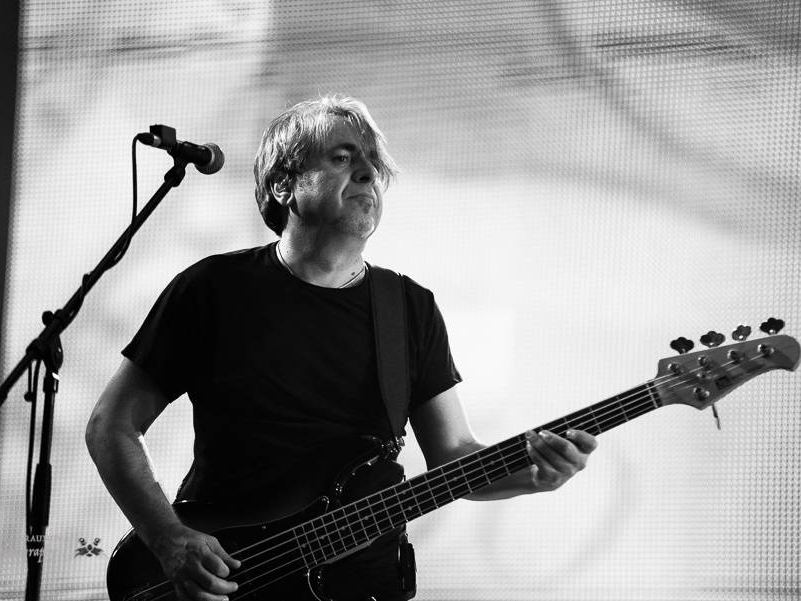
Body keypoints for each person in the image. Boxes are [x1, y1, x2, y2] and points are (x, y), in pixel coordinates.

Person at [85, 96, 598, 601]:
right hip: (230, 580)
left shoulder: (408, 307)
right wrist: (167, 538)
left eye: (373, 164)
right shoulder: (212, 288)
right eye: (342, 157)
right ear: (284, 184)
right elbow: (112, 425)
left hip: (366, 587)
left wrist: (533, 474)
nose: (369, 174)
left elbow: (455, 456)